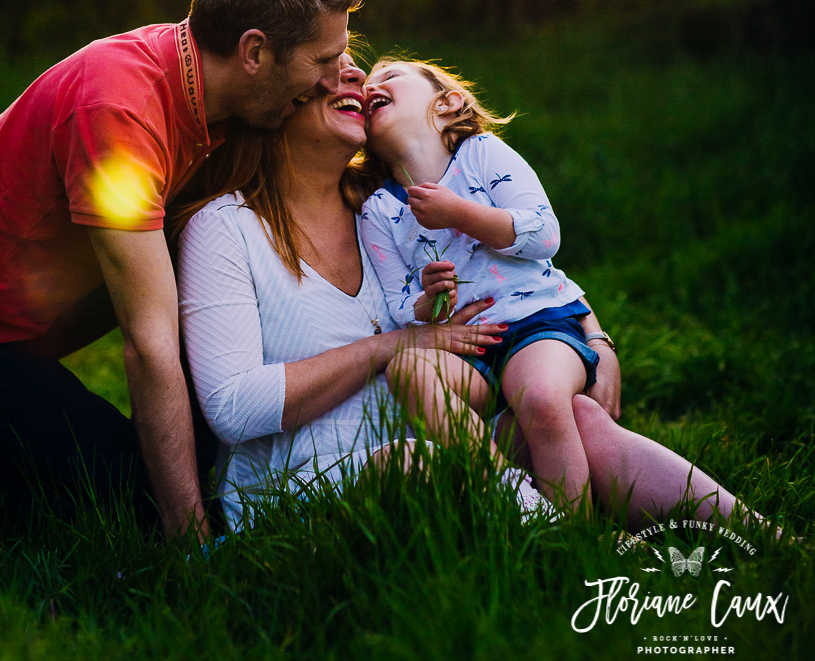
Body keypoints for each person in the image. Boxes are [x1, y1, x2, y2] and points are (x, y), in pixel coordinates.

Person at [0, 0, 360, 539]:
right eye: (323, 62)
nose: (335, 78)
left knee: (182, 460)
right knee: (122, 498)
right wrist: (186, 532)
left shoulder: (219, 89)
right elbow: (148, 344)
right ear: (254, 52)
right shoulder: (119, 111)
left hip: (27, 308)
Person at [177, 56, 763, 534]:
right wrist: (390, 347)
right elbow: (232, 408)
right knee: (417, 464)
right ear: (273, 101)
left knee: (575, 415)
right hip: (306, 482)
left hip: (432, 434)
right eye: (330, 67)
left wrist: (592, 334)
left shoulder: (377, 206)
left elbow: (512, 267)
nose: (354, 76)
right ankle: (565, 542)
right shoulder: (225, 228)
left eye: (357, 66)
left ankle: (768, 540)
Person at [359, 57, 596, 511]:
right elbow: (399, 306)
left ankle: (577, 532)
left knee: (542, 398)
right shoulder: (379, 211)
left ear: (448, 104)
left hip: (536, 323)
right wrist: (427, 299)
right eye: (368, 85)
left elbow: (544, 234)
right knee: (406, 370)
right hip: (469, 350)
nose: (373, 86)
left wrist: (459, 214)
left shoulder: (482, 154)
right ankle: (514, 497)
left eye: (389, 78)